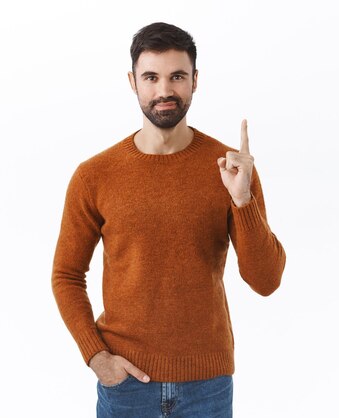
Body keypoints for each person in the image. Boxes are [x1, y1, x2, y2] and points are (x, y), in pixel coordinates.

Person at [50, 22, 287, 418]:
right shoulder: (94, 175)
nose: (164, 91)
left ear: (195, 80)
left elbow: (266, 281)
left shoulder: (231, 170)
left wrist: (242, 200)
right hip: (125, 384)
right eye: (151, 77)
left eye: (177, 76)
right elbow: (66, 275)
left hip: (208, 386)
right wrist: (96, 357)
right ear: (132, 81)